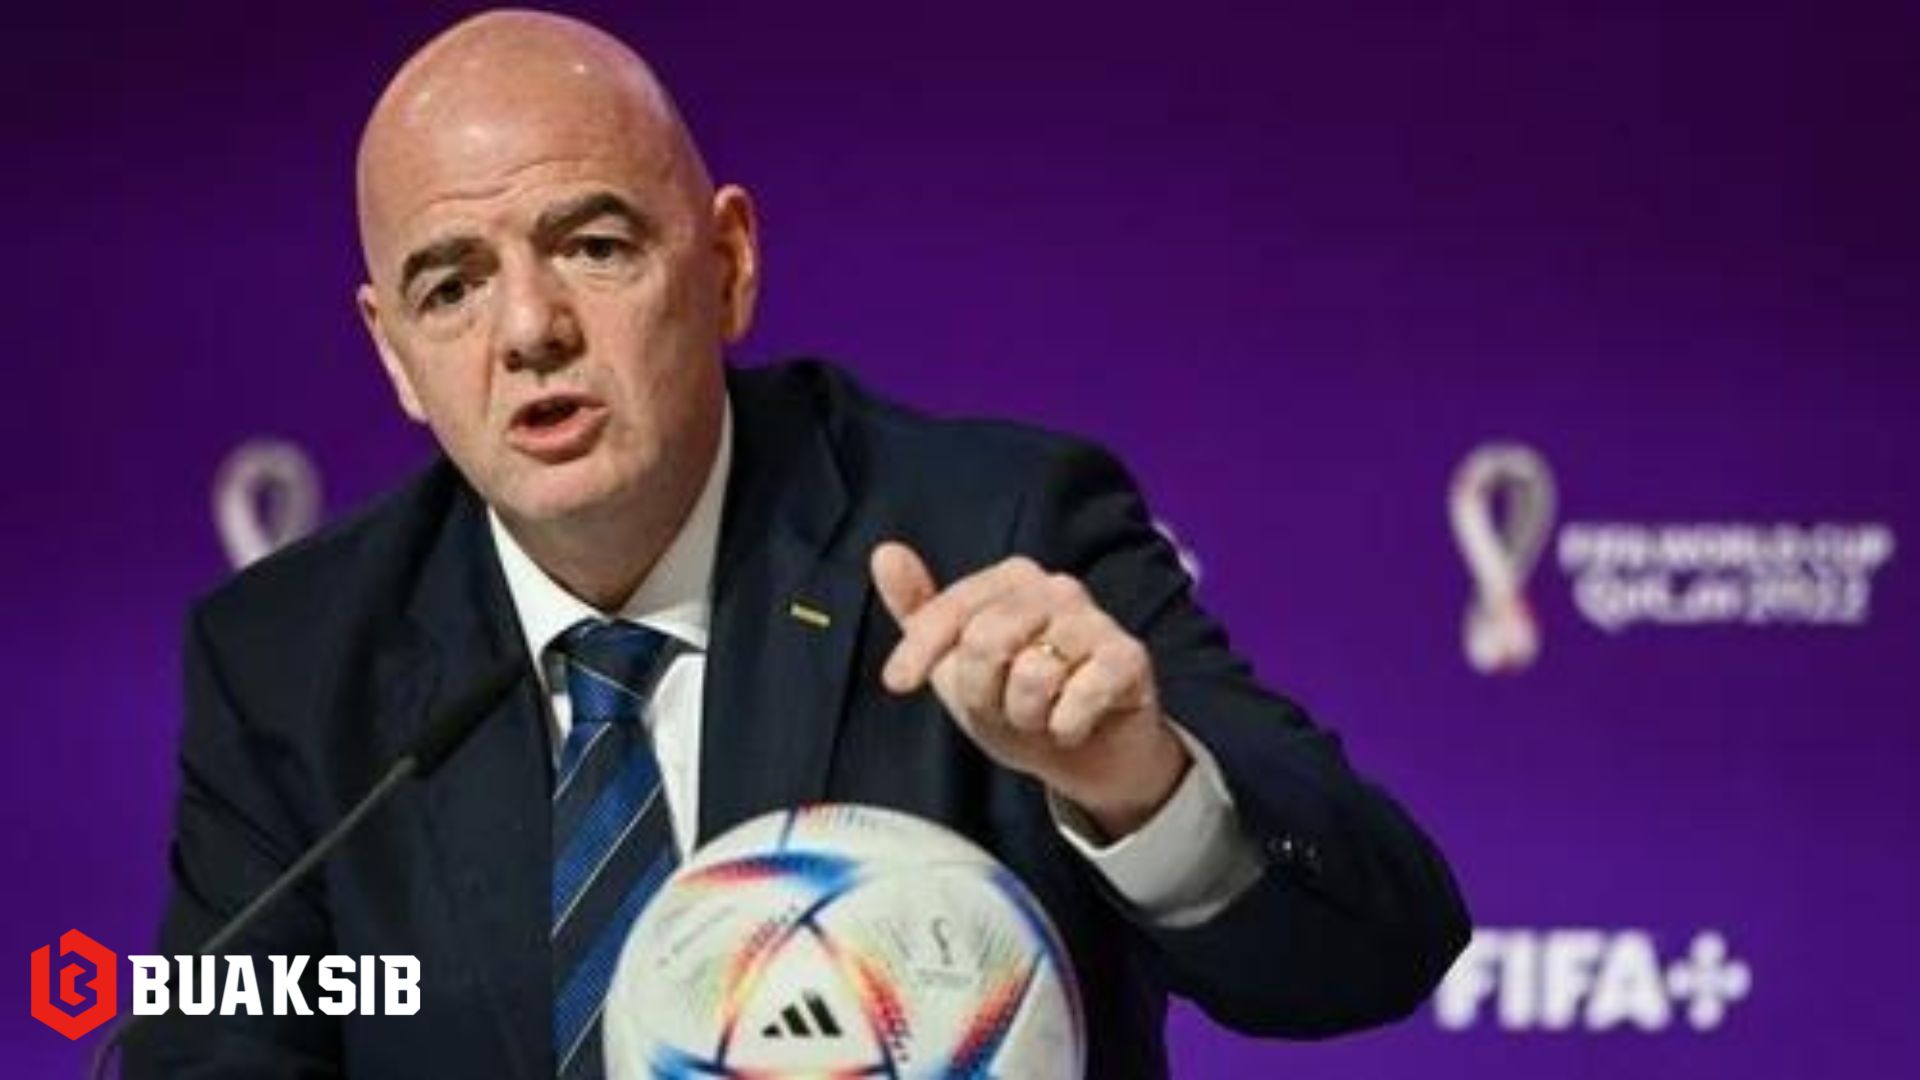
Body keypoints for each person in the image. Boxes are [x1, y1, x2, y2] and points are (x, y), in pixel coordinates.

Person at [129, 10, 1468, 1079]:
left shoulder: (992, 534)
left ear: (728, 264)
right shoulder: (292, 662)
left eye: (592, 245)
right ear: (394, 354)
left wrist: (1139, 785)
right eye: (452, 285)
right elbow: (212, 1046)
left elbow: (1379, 949)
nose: (528, 329)